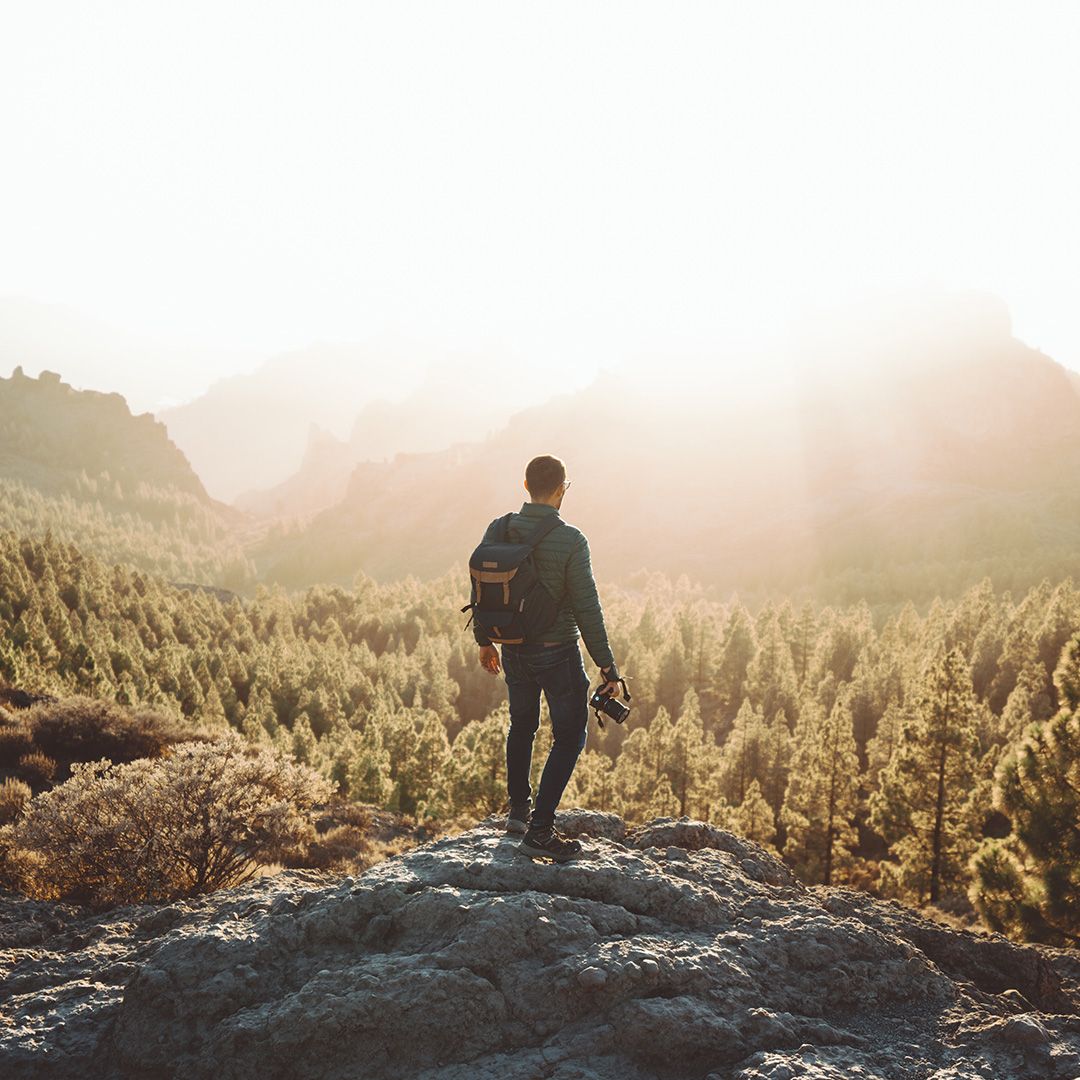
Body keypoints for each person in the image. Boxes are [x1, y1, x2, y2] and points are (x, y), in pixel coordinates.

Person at [475, 454, 621, 862]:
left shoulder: (498, 527)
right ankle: (541, 831)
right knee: (570, 735)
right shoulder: (572, 540)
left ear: (525, 487)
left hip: (513, 649)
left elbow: (483, 585)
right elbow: (587, 607)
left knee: (521, 726)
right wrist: (607, 666)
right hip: (557, 652)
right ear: (561, 490)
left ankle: (519, 814)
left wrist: (485, 641)